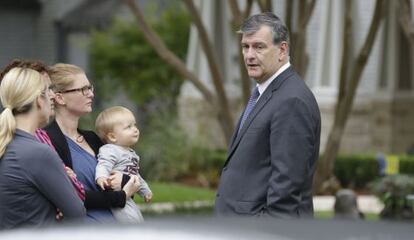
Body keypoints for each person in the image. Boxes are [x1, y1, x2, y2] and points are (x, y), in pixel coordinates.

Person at [214, 12, 321, 218]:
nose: (249, 55)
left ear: (282, 50)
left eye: (259, 46)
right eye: (246, 46)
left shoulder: (292, 101)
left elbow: (286, 191)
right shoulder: (265, 92)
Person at [44, 63, 140, 222]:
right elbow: (72, 196)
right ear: (60, 97)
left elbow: (128, 178)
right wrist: (121, 196)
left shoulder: (92, 138)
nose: (90, 94)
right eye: (83, 89)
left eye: (90, 88)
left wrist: (124, 182)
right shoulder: (49, 140)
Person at [0, 66, 85, 229]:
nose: (53, 95)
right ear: (39, 100)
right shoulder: (37, 153)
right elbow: (77, 214)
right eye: (48, 90)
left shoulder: (8, 144)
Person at [95, 106, 152, 223]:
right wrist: (101, 177)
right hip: (117, 196)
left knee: (138, 220)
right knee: (131, 224)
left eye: (135, 125)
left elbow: (135, 175)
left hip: (128, 196)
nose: (135, 129)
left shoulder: (131, 153)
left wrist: (145, 190)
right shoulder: (110, 149)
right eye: (128, 127)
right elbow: (103, 164)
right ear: (112, 136)